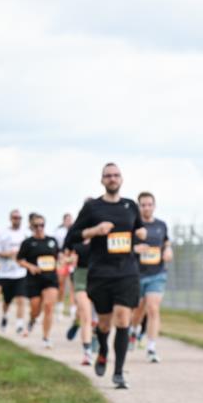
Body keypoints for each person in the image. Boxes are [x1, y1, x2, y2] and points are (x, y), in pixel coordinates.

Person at [66, 163, 147, 389]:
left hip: (127, 271)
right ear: (102, 180)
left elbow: (138, 230)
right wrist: (94, 231)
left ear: (121, 179)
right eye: (108, 176)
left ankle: (119, 372)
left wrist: (141, 233)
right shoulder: (93, 208)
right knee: (103, 323)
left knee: (123, 319)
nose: (112, 179)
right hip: (100, 273)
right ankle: (102, 349)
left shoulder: (130, 206)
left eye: (116, 175)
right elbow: (71, 238)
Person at [130, 191, 173, 363]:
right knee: (138, 310)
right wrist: (134, 250)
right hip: (137, 274)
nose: (147, 208)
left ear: (154, 206)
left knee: (153, 308)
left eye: (149, 204)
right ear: (139, 207)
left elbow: (166, 241)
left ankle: (151, 348)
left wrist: (168, 249)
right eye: (143, 205)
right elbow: (125, 247)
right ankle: (133, 330)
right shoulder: (133, 226)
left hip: (157, 274)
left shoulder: (161, 225)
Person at [17, 213, 61, 348]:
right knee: (35, 309)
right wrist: (30, 266)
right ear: (31, 227)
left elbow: (58, 257)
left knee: (48, 306)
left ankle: (46, 337)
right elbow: (20, 260)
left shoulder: (52, 241)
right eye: (36, 225)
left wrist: (63, 261)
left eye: (42, 225)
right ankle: (32, 320)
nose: (39, 228)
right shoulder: (28, 243)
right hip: (34, 280)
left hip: (50, 279)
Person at [0, 209, 29, 335]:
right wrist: (8, 254)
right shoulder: (2, 233)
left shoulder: (25, 234)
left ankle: (19, 323)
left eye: (19, 217)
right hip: (6, 272)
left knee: (21, 298)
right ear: (10, 218)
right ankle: (4, 315)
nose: (17, 220)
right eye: (15, 217)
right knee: (7, 300)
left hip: (20, 272)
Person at [64, 239, 96, 365]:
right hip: (81, 276)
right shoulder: (77, 238)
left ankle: (78, 323)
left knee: (97, 312)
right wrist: (68, 260)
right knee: (86, 314)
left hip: (100, 275)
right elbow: (67, 256)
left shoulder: (103, 239)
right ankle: (87, 353)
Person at [53, 212, 74, 317]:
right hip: (62, 259)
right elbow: (56, 247)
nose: (69, 221)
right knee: (61, 284)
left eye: (70, 219)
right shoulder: (59, 232)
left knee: (73, 285)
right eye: (67, 219)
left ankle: (72, 309)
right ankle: (59, 307)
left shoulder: (74, 231)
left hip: (72, 259)